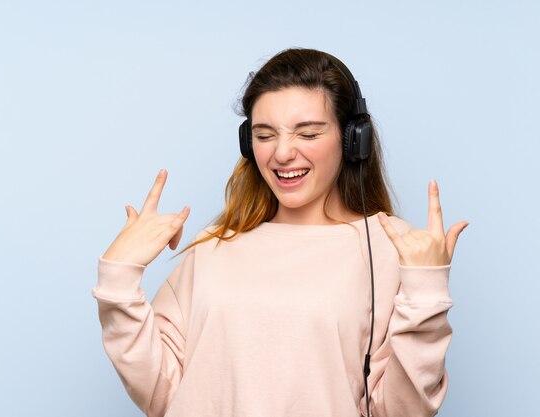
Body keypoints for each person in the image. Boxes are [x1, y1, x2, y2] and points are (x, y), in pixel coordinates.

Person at [92, 47, 469, 417]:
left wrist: (425, 291)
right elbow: (162, 394)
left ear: (353, 139)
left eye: (307, 133)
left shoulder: (391, 249)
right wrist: (119, 278)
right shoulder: (214, 247)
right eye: (265, 134)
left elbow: (404, 411)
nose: (282, 153)